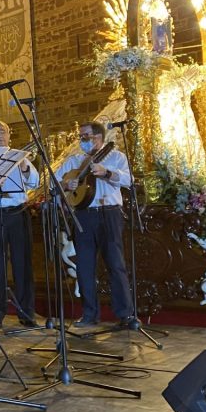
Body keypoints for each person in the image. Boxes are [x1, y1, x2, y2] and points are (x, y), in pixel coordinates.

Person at [56, 121, 134, 327]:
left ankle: (125, 315)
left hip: (109, 213)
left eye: (86, 136)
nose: (82, 140)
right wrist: (67, 184)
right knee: (84, 266)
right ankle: (90, 313)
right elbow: (53, 183)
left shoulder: (116, 157)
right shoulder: (74, 160)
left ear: (99, 137)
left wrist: (107, 172)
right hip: (84, 215)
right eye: (80, 136)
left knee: (115, 264)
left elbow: (128, 180)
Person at [0, 120, 39, 328]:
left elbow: (34, 181)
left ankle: (27, 312)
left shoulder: (18, 156)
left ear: (9, 135)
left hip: (17, 213)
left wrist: (24, 166)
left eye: (2, 131)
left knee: (22, 263)